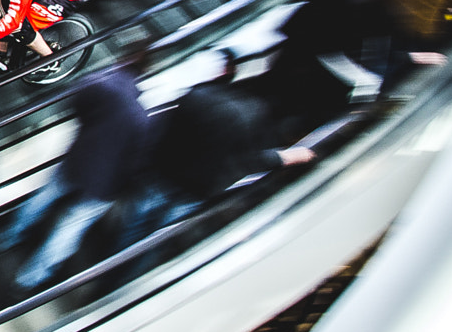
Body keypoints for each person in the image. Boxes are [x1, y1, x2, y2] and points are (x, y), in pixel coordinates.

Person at [0, 45, 150, 289]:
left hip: (77, 159)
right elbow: (134, 160)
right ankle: (30, 278)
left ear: (122, 60)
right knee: (69, 228)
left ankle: (8, 237)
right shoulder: (141, 117)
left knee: (43, 196)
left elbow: (78, 106)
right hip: (103, 185)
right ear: (141, 74)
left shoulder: (99, 83)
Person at [128, 49, 314, 236]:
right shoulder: (251, 111)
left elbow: (161, 134)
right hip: (196, 191)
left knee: (133, 229)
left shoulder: (196, 95)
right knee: (159, 237)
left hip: (161, 179)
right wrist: (283, 157)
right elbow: (249, 160)